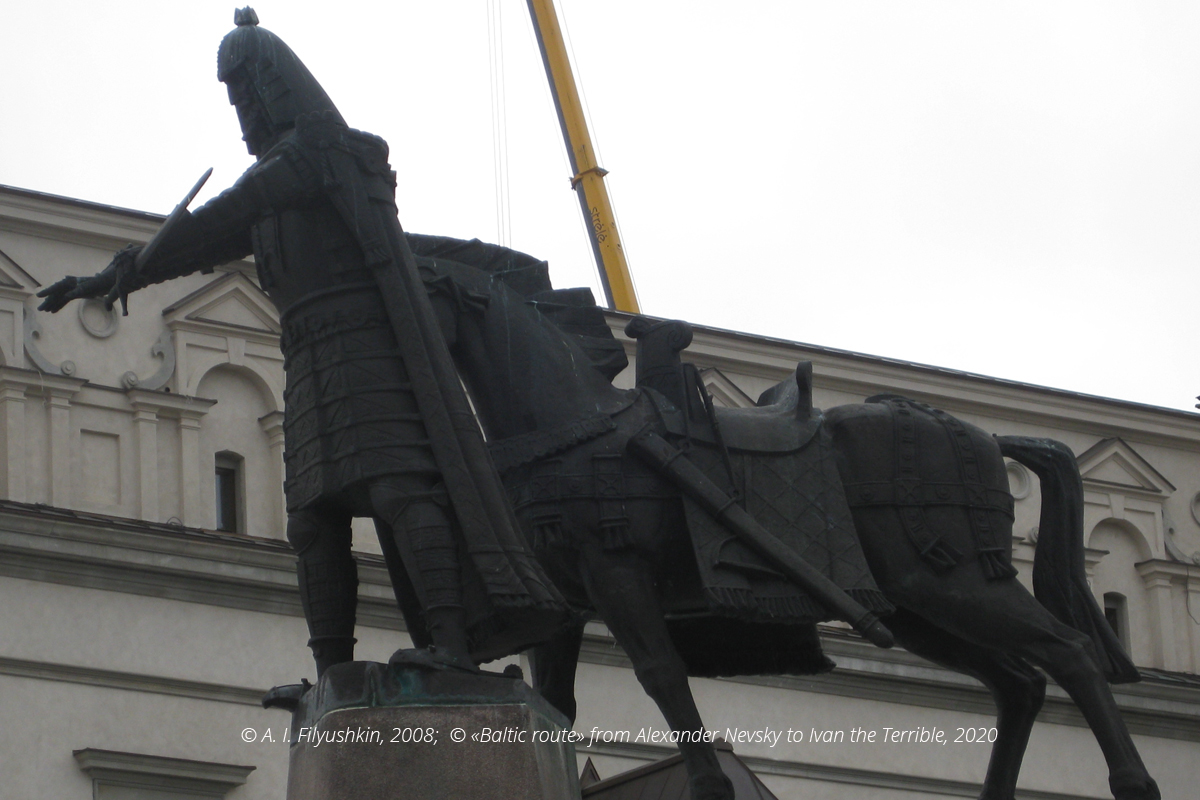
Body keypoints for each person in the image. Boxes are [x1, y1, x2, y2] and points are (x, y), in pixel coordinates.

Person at [38, 8, 564, 677]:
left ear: (274, 86)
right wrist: (114, 276)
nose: (243, 111)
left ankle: (451, 647)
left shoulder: (324, 152)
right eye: (234, 101)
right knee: (313, 520)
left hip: (369, 349)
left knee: (402, 489)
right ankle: (333, 675)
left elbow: (226, 211)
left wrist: (127, 267)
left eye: (247, 93)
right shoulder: (276, 192)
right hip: (308, 358)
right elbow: (205, 240)